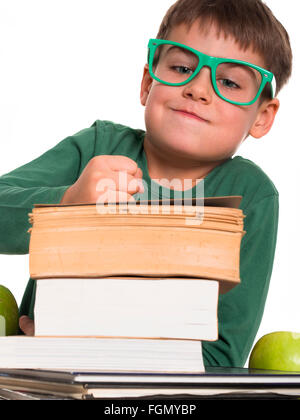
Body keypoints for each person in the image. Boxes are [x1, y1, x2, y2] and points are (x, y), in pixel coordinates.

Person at [0, 0, 293, 368]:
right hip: (44, 382)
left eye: (230, 82)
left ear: (262, 118)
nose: (199, 90)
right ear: (147, 82)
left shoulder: (252, 194)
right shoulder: (96, 148)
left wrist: (84, 352)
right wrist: (67, 203)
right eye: (182, 67)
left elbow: (221, 355)